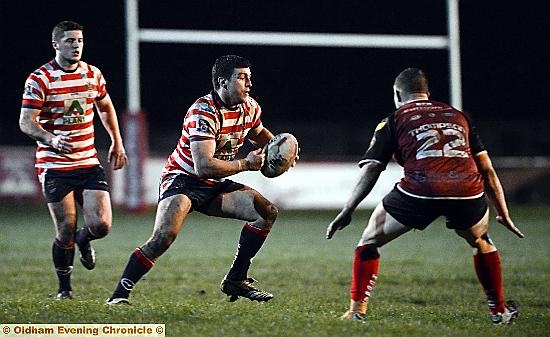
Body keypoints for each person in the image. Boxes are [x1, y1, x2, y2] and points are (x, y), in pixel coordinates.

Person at [326, 68, 524, 325]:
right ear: (428, 94)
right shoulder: (459, 116)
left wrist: (347, 210)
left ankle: (356, 311)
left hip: (420, 190)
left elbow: (373, 167)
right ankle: (499, 312)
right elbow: (486, 168)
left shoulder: (393, 120)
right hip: (466, 191)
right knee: (482, 241)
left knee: (369, 240)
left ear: (398, 94)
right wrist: (503, 212)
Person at [107, 54, 288, 305]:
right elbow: (203, 167)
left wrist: (280, 149)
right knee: (164, 236)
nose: (249, 84)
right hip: (183, 180)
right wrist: (246, 164)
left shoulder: (250, 107)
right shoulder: (202, 112)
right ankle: (119, 296)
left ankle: (236, 278)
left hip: (215, 185)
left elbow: (259, 134)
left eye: (250, 78)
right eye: (242, 78)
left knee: (266, 212)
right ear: (223, 82)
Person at [19, 20, 128, 300]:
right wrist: (52, 139)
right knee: (65, 228)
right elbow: (26, 122)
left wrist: (117, 140)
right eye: (69, 41)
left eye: (79, 40)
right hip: (54, 165)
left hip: (88, 161)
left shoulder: (92, 74)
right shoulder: (40, 78)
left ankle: (85, 239)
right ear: (56, 44)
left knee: (101, 225)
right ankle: (64, 289)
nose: (76, 45)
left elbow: (105, 106)